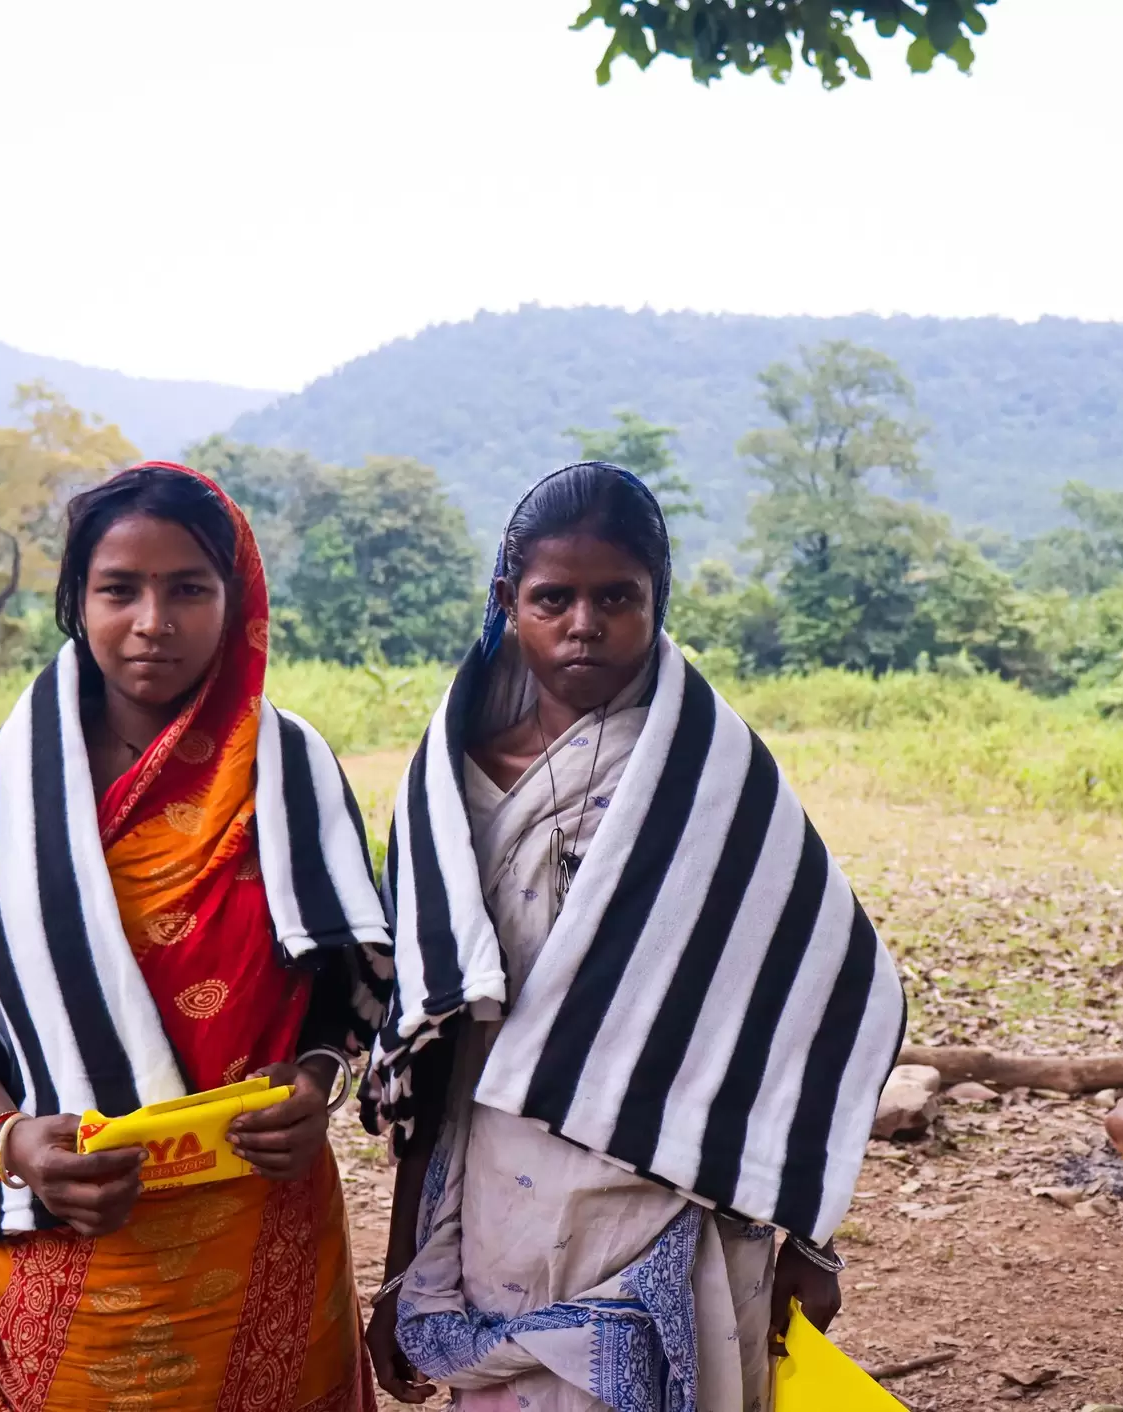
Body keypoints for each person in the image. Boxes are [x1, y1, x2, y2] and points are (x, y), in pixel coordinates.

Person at [360, 463, 908, 1412]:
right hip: (497, 1198)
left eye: (617, 597)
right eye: (553, 598)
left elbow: (837, 994)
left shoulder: (712, 780)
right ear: (508, 601)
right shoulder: (446, 788)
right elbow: (432, 1029)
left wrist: (812, 1241)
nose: (585, 624)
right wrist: (403, 1264)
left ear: (658, 599)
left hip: (668, 1194)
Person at [0, 461, 390, 1412]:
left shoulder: (287, 768)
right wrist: (12, 1143)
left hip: (264, 1221)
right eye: (120, 590)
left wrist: (317, 1080)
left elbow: (347, 968)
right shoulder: (6, 793)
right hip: (77, 1229)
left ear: (235, 603)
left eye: (188, 589)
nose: (153, 621)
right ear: (77, 601)